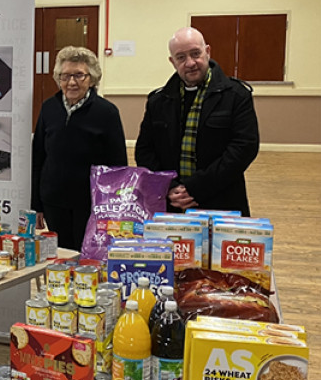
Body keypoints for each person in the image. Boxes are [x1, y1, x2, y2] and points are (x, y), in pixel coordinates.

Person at [135, 26, 259, 215]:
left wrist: (196, 187)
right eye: (181, 57)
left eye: (195, 54)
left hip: (221, 201)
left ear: (207, 52)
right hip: (171, 203)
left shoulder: (236, 95)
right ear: (172, 61)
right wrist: (169, 186)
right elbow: (145, 150)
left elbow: (244, 148)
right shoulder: (158, 101)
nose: (190, 63)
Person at [31, 46, 127, 251]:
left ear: (91, 78)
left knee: (88, 255)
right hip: (54, 200)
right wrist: (36, 205)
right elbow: (38, 156)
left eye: (79, 75)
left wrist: (114, 207)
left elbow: (118, 165)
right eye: (65, 76)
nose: (72, 82)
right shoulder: (49, 108)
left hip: (91, 203)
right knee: (61, 255)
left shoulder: (107, 112)